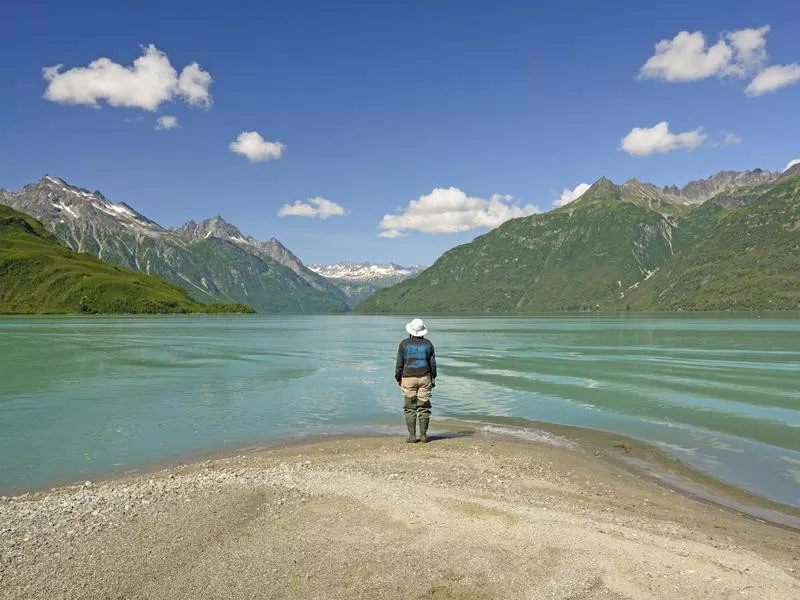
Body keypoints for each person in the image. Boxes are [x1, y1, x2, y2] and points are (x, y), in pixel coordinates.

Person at [395, 318, 437, 443]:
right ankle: (424, 436)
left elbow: (399, 364)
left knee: (410, 407)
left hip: (408, 378)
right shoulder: (428, 344)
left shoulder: (404, 343)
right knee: (424, 407)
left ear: (410, 331)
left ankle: (412, 436)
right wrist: (433, 377)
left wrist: (398, 378)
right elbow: (433, 364)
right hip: (425, 377)